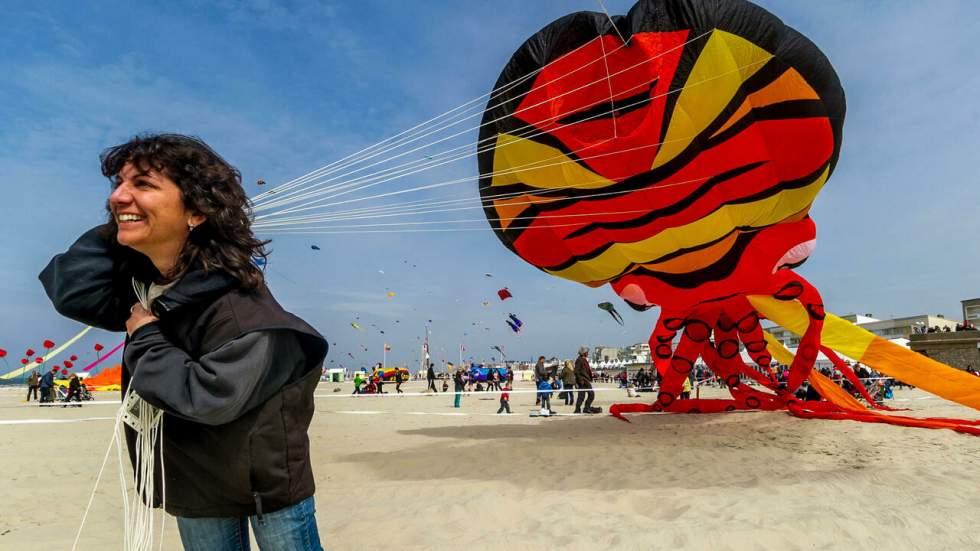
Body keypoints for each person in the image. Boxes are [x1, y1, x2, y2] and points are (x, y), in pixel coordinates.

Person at [39, 134, 327, 550]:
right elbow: (72, 288)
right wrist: (130, 221)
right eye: (118, 184)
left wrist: (146, 336)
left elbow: (207, 396)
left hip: (265, 485)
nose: (118, 195)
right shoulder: (150, 290)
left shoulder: (241, 309)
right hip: (195, 481)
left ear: (195, 210)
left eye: (143, 184)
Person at [574, 347, 598, 414]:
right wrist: (580, 380)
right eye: (587, 352)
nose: (588, 353)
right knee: (584, 395)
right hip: (583, 380)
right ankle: (579, 409)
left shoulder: (583, 359)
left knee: (588, 395)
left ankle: (585, 408)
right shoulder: (579, 360)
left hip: (586, 380)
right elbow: (576, 371)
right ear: (584, 353)